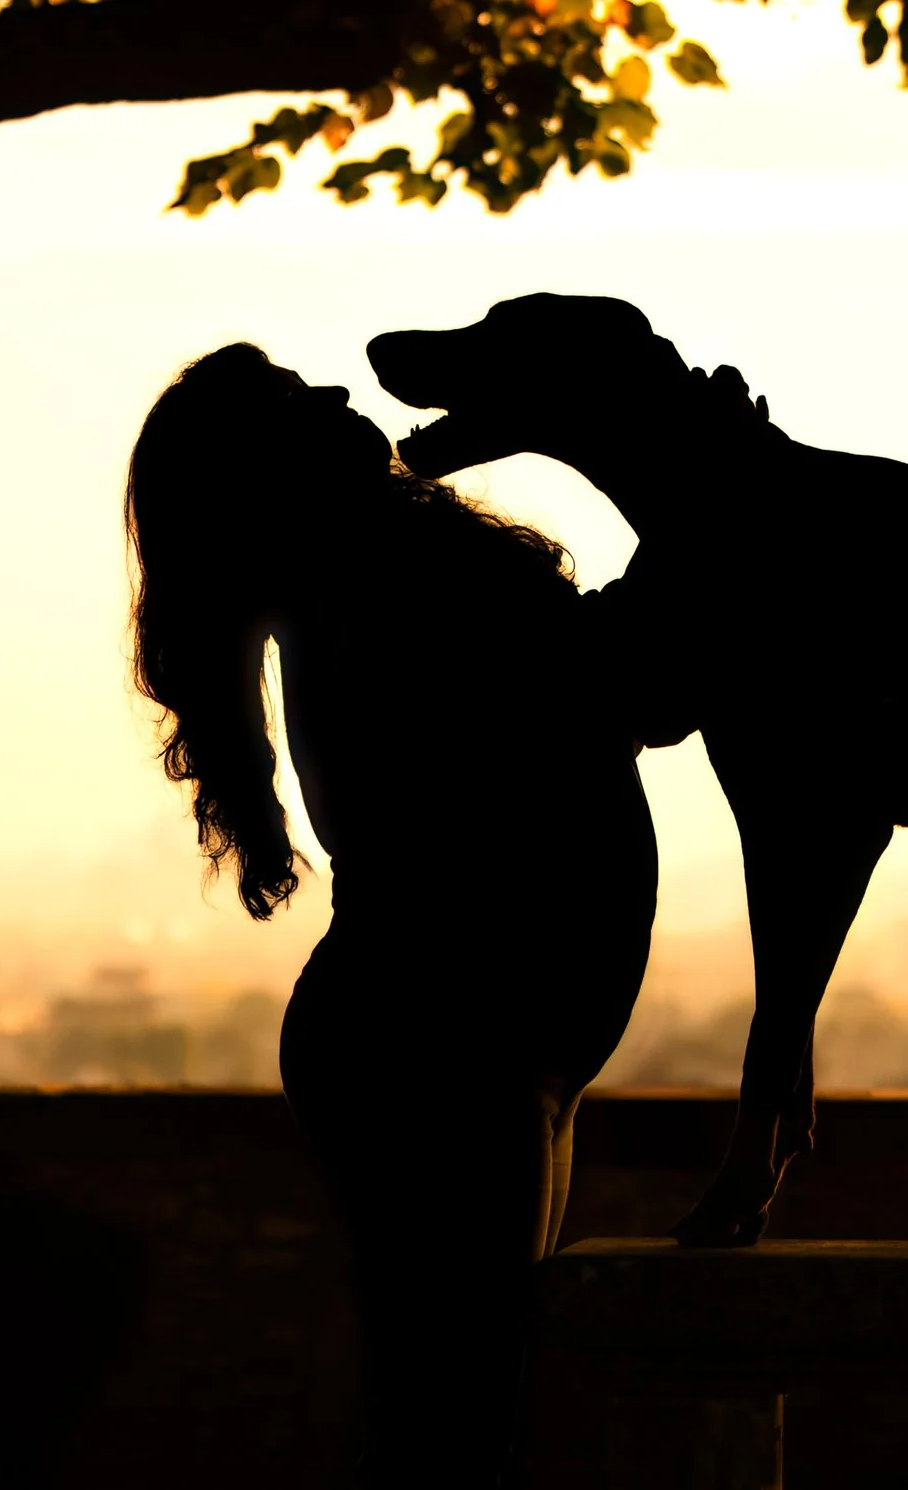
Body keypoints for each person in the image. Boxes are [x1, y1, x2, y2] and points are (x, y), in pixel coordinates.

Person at [125, 343, 657, 1484]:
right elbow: (627, 686)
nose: (334, 393)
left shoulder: (374, 597)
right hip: (445, 1049)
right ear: (268, 473)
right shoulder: (397, 599)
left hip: (439, 1043)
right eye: (291, 403)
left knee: (449, 1405)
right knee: (457, 1416)